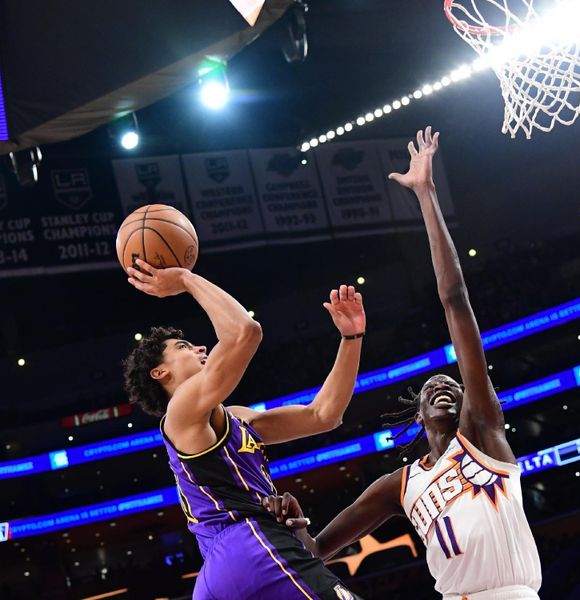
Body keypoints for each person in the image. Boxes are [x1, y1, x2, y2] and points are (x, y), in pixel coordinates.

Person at [263, 127, 542, 600]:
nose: (443, 386)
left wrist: (427, 195)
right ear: (418, 414)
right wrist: (294, 524)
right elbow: (315, 553)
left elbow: (455, 301)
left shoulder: (484, 435)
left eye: (453, 385)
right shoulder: (399, 486)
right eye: (432, 387)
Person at [122, 261, 367, 600]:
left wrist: (351, 338)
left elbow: (323, 415)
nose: (201, 348)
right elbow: (243, 333)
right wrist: (184, 278)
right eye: (183, 347)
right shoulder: (179, 412)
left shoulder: (236, 418)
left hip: (223, 574)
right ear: (159, 373)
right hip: (249, 545)